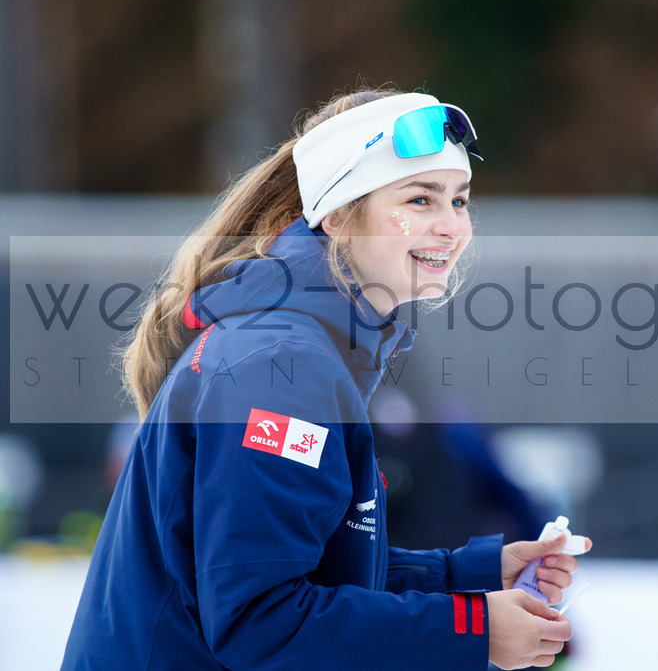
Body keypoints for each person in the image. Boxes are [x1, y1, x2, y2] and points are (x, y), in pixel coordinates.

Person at [62, 89, 590, 670]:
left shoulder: (304, 346)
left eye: (459, 201)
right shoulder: (279, 366)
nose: (451, 227)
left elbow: (309, 564)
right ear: (337, 218)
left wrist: (470, 573)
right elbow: (258, 620)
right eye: (420, 199)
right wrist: (473, 630)